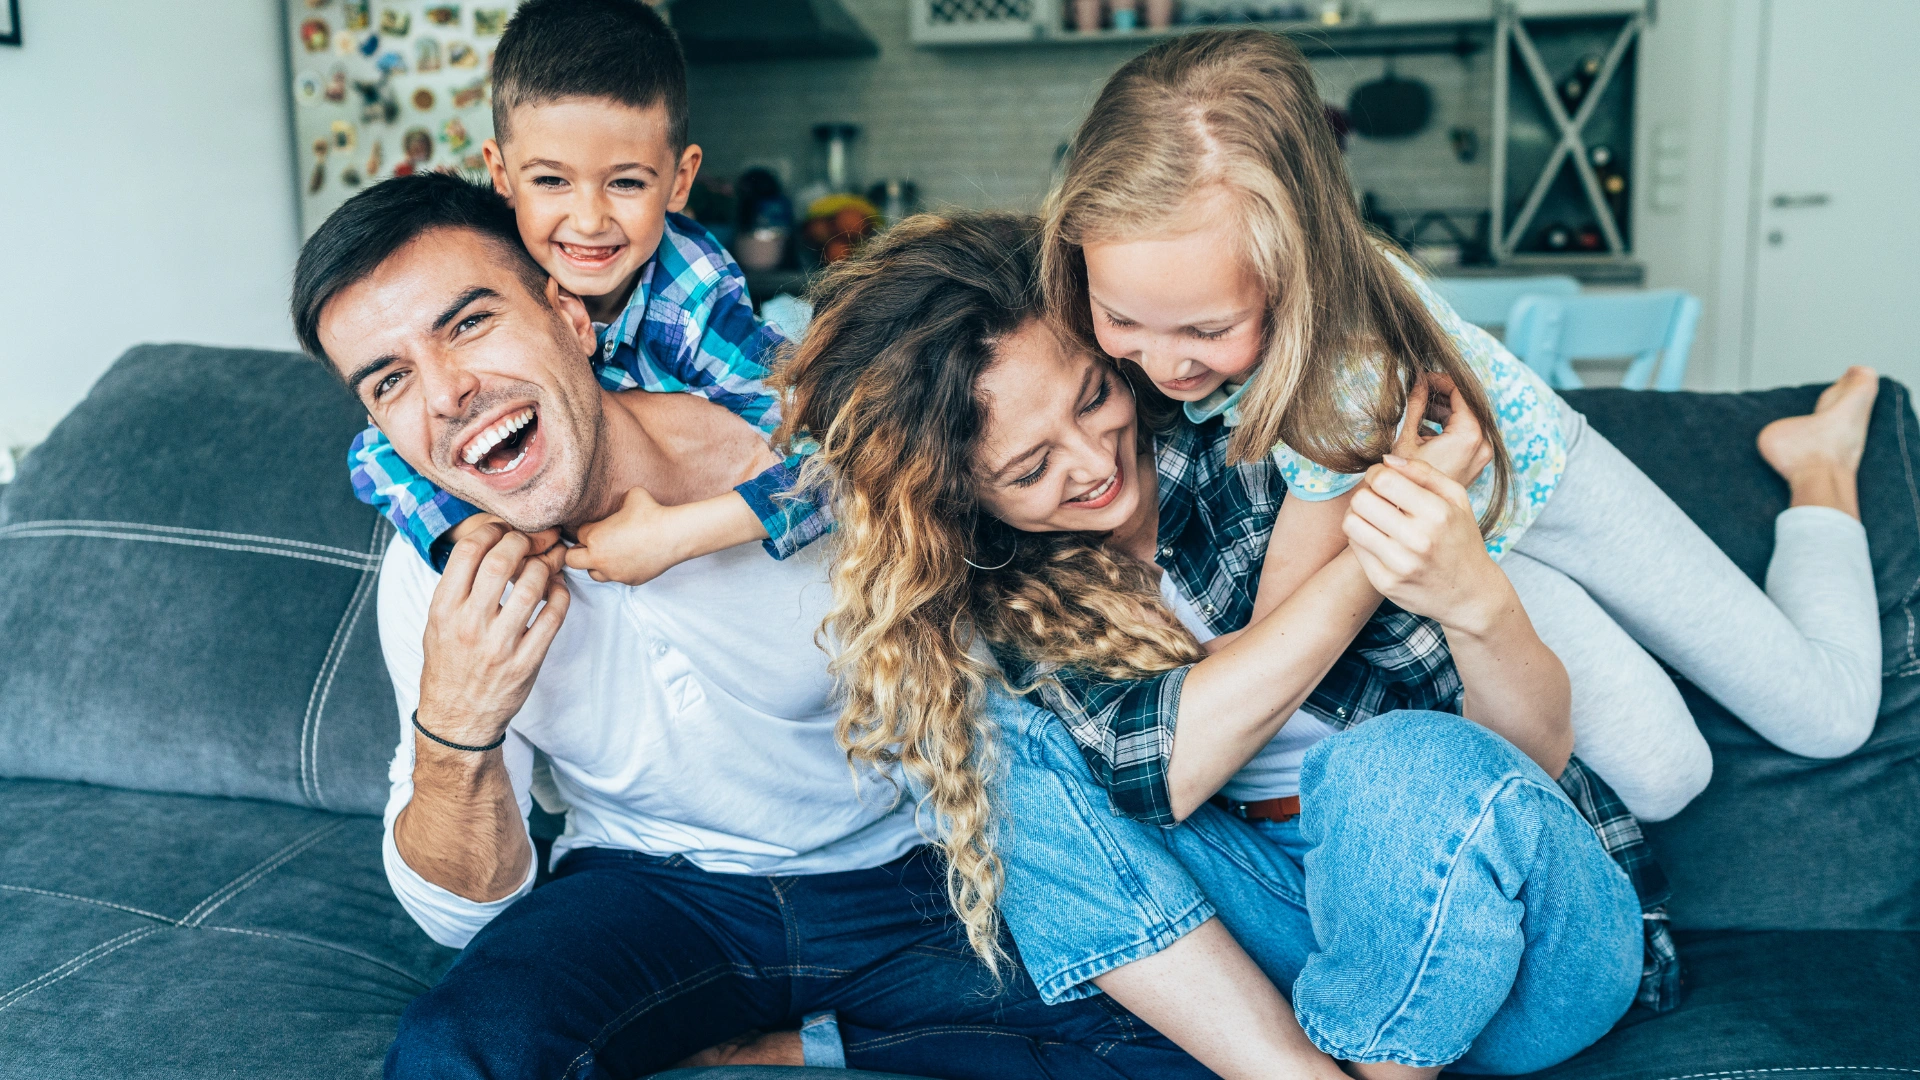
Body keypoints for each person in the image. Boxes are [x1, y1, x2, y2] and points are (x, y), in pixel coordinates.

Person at [291, 175, 1219, 1080]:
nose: (446, 393)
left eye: (468, 324)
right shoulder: (439, 567)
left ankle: (798, 1044)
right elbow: (458, 914)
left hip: (907, 870)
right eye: (390, 380)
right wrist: (459, 723)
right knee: (455, 1052)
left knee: (1188, 1038)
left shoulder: (799, 456)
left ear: (571, 317)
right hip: (653, 889)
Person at [775, 212, 1658, 1077]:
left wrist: (1405, 542)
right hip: (1295, 935)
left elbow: (1524, 758)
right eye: (1031, 469)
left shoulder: (1269, 444)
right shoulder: (1012, 594)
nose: (1094, 463)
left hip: (1525, 951)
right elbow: (1162, 769)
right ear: (959, 499)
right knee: (991, 748)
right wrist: (1368, 555)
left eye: (1095, 396)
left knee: (1388, 765)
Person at [1040, 28, 1884, 823]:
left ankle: (1818, 467)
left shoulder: (1343, 378)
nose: (1164, 365)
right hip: (1476, 544)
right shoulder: (1152, 299)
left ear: (1298, 270)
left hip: (1546, 485)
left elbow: (1274, 642)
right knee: (1665, 778)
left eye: (1208, 330)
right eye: (1123, 319)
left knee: (1828, 715)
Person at [347, 0, 821, 581]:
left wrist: (675, 536)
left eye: (626, 183)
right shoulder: (490, 271)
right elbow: (376, 453)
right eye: (551, 180)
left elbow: (837, 463)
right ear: (501, 176)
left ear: (679, 181)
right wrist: (474, 529)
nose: (590, 221)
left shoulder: (693, 302)